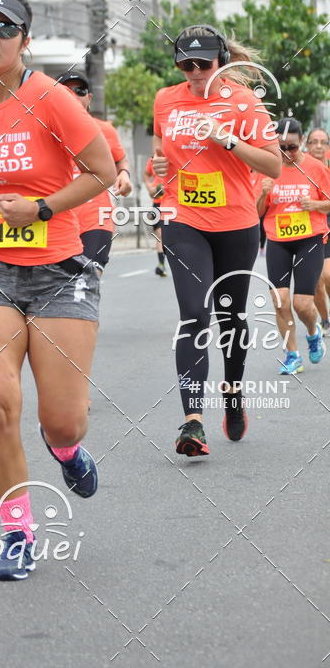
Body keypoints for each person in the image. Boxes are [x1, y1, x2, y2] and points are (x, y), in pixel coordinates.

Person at [0, 0, 116, 579]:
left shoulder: (51, 99)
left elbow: (102, 173)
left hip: (60, 272)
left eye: (3, 28)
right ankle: (16, 531)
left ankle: (65, 451)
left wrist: (39, 210)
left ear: (24, 40)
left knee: (63, 418)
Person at [152, 26, 281, 457]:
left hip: (236, 223)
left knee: (231, 320)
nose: (194, 73)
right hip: (183, 219)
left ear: (221, 62)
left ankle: (233, 391)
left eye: (202, 64)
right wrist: (159, 169)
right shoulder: (166, 100)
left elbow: (274, 165)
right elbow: (162, 151)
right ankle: (193, 420)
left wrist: (227, 139)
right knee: (194, 314)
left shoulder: (244, 102)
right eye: (185, 65)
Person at [256, 118, 330, 373]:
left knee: (301, 304)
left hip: (309, 239)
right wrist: (264, 194)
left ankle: (313, 330)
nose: (287, 153)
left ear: (302, 143)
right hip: (277, 240)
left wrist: (315, 205)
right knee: (280, 300)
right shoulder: (266, 169)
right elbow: (257, 212)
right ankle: (292, 355)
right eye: (281, 148)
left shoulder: (316, 168)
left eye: (292, 147)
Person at [55, 70, 131, 272]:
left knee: (87, 280)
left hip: (96, 220)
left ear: (89, 98)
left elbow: (120, 160)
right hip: (58, 221)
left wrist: (124, 174)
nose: (73, 96)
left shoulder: (104, 130)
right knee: (62, 288)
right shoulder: (43, 131)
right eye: (65, 91)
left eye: (79, 91)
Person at [305, 127, 330, 335]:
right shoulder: (299, 168)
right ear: (307, 144)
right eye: (314, 142)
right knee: (317, 279)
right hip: (310, 225)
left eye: (323, 142)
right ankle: (325, 320)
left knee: (328, 275)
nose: (319, 146)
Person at [143, 156, 167, 276]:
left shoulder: (178, 154)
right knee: (160, 235)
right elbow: (146, 175)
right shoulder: (153, 159)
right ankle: (161, 265)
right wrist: (150, 187)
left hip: (175, 203)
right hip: (158, 203)